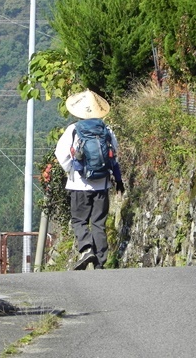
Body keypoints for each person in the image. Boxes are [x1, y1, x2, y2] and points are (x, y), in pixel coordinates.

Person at [55, 89, 124, 270]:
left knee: (79, 221)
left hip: (79, 185)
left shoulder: (73, 130)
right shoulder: (107, 130)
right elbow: (114, 156)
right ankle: (101, 262)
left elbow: (61, 154)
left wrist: (71, 172)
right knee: (98, 223)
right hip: (102, 183)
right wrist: (118, 181)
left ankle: (86, 249)